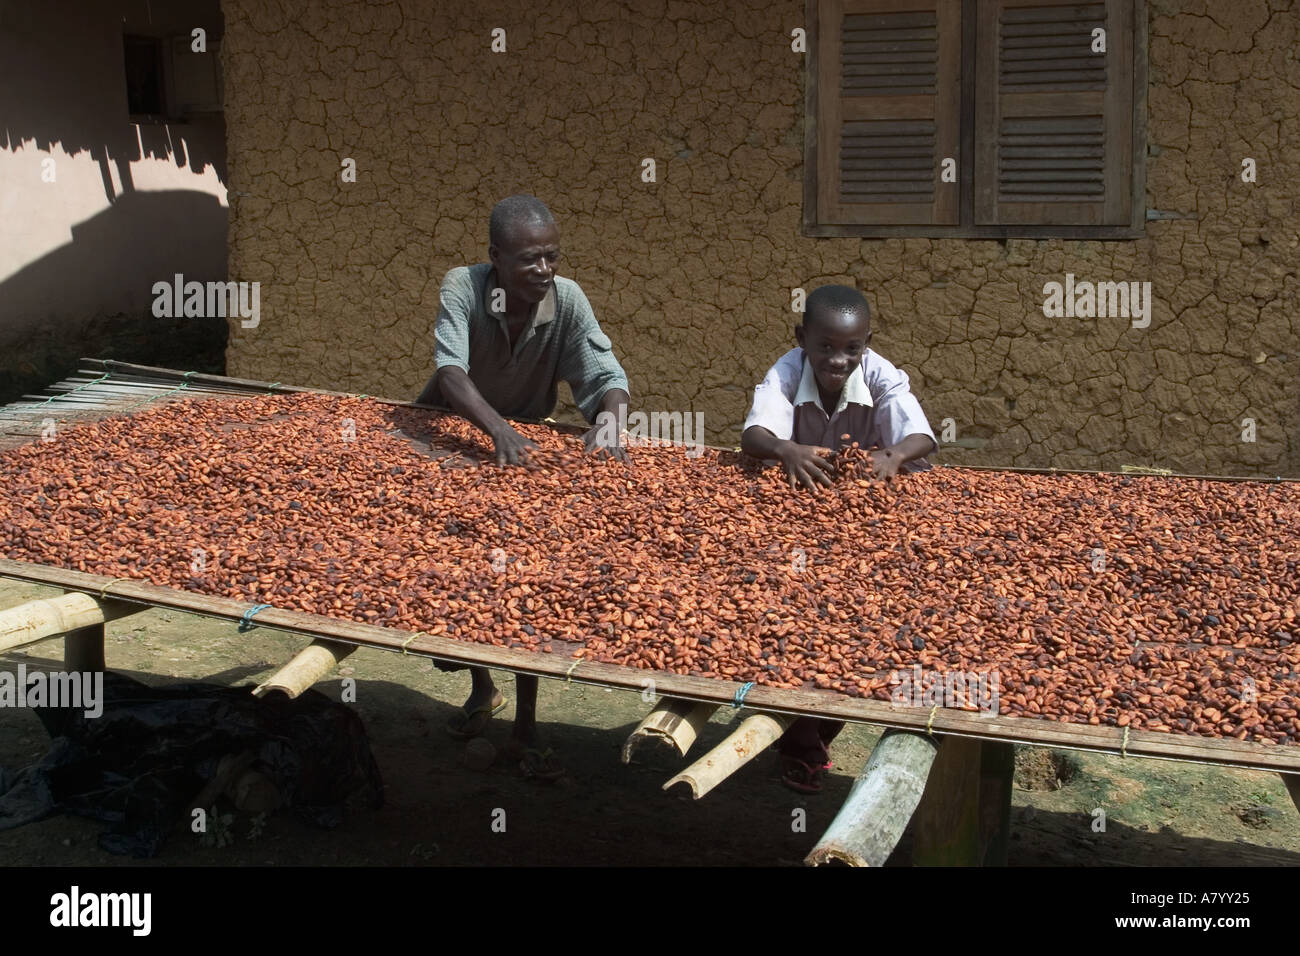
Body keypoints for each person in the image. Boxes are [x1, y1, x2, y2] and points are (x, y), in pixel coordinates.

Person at [415, 194, 631, 780]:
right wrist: (496, 431)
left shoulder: (568, 302)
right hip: (452, 439)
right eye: (529, 260)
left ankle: (528, 725)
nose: (543, 271)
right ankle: (483, 686)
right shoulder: (463, 286)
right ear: (495, 259)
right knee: (451, 574)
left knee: (520, 582)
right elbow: (449, 372)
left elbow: (607, 376)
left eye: (551, 258)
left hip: (524, 454)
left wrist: (609, 419)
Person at [739, 284, 938, 793]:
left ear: (866, 344)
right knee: (795, 614)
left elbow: (921, 436)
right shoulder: (785, 371)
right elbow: (753, 435)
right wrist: (786, 450)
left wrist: (892, 456)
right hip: (794, 508)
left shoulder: (879, 373)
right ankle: (802, 743)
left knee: (855, 622)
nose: (837, 359)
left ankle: (809, 734)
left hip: (863, 515)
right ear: (801, 337)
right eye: (825, 347)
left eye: (851, 348)